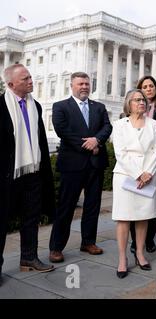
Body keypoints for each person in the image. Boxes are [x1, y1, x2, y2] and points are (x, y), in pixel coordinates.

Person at [0, 64, 55, 285]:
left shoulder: (36, 106)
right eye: (25, 79)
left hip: (32, 171)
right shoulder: (1, 106)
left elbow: (40, 139)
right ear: (11, 84)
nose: (31, 81)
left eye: (30, 77)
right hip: (6, 175)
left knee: (31, 217)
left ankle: (29, 258)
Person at [49, 72, 112, 263]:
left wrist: (97, 141)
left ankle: (88, 242)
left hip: (95, 164)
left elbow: (107, 127)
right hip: (72, 164)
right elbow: (63, 131)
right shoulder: (60, 107)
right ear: (72, 85)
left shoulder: (99, 107)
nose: (84, 86)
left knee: (93, 206)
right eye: (80, 84)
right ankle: (56, 247)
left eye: (87, 83)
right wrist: (89, 145)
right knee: (66, 207)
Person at [111, 89, 156, 278]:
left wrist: (147, 173)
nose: (142, 102)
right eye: (137, 99)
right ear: (128, 103)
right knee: (123, 218)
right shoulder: (119, 125)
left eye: (143, 100)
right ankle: (122, 258)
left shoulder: (153, 124)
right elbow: (120, 152)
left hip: (149, 174)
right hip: (126, 176)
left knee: (143, 216)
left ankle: (140, 253)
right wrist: (138, 173)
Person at [129, 76, 156, 253]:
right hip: (136, 165)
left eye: (151, 86)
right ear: (140, 89)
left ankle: (149, 239)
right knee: (136, 203)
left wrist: (151, 157)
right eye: (144, 86)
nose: (148, 89)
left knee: (152, 202)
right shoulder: (131, 109)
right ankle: (134, 241)